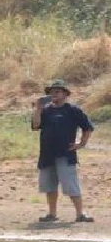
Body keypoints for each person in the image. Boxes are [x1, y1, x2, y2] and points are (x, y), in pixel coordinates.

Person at [32, 79, 95, 223]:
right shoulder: (45, 110)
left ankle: (80, 214)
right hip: (47, 154)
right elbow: (36, 125)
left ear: (65, 94)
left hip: (66, 154)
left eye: (57, 91)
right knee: (49, 186)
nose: (54, 94)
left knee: (71, 185)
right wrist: (38, 109)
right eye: (51, 92)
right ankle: (52, 214)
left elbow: (88, 127)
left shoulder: (73, 110)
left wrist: (81, 143)